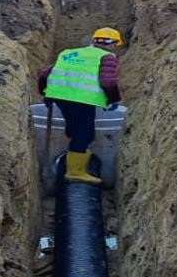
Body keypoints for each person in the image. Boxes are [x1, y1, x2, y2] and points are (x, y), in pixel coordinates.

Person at [39, 27, 123, 185]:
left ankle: (77, 153)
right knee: (85, 135)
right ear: (113, 44)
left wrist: (45, 93)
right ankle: (75, 172)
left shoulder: (69, 53)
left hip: (60, 97)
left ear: (94, 41)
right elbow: (109, 82)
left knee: (74, 128)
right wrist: (113, 99)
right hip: (83, 100)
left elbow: (45, 73)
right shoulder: (107, 57)